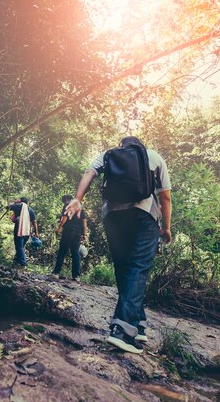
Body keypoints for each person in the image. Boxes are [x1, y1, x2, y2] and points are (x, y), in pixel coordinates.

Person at [64, 136, 172, 354]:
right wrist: (166, 228)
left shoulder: (108, 155)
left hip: (112, 215)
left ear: (123, 146)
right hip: (144, 216)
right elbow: (165, 198)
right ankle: (121, 331)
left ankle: (138, 324)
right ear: (140, 145)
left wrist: (78, 199)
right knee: (138, 268)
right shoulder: (154, 157)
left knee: (124, 268)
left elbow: (89, 173)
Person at [51, 194, 87, 281]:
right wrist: (84, 234)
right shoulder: (80, 207)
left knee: (62, 251)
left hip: (68, 231)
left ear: (66, 199)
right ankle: (76, 276)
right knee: (75, 252)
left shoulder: (67, 204)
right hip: (78, 233)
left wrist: (59, 228)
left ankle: (56, 273)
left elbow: (65, 217)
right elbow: (84, 222)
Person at [6, 197, 39, 268]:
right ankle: (15, 263)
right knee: (20, 247)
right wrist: (36, 233)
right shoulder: (31, 210)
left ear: (21, 201)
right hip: (27, 232)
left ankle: (23, 263)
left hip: (19, 230)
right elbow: (34, 222)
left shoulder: (19, 206)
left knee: (19, 247)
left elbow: (8, 207)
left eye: (18, 199)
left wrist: (15, 202)